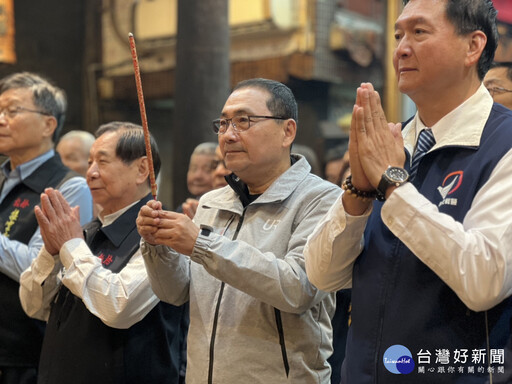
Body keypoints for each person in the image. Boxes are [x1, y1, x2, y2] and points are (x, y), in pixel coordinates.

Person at [305, 1, 512, 383]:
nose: (401, 47)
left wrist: (393, 184)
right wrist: (357, 192)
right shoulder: (391, 142)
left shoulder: (504, 143)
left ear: (473, 46)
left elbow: (484, 279)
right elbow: (321, 275)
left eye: (419, 32)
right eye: (399, 33)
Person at [136, 78, 341, 383]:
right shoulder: (211, 201)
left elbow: (299, 289)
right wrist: (157, 246)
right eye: (223, 123)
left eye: (243, 121)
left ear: (287, 131)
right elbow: (175, 293)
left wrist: (201, 245)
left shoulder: (323, 199)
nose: (228, 135)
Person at [19, 122, 187, 384]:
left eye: (103, 162)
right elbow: (34, 307)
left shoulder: (162, 233)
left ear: (142, 169)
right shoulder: (84, 231)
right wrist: (50, 253)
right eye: (89, 162)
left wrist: (70, 247)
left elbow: (118, 308)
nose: (90, 173)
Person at [0, 72, 93, 384]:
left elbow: (41, 269)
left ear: (48, 125)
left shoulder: (69, 186)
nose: (1, 120)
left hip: (22, 353)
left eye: (12, 111)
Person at [179, 142, 217, 219]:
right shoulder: (182, 211)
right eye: (193, 169)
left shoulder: (224, 215)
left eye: (207, 169)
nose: (197, 176)